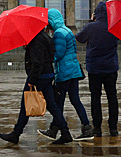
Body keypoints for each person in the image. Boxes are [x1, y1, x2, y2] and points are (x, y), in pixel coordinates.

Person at [0, 28, 73, 145]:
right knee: (52, 105)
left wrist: (32, 80)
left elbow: (37, 61)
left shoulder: (36, 39)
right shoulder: (45, 37)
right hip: (47, 74)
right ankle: (65, 132)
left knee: (25, 105)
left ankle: (16, 134)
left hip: (39, 76)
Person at [38, 8, 93, 141]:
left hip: (64, 72)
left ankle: (55, 130)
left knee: (59, 102)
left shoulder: (59, 34)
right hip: (73, 71)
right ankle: (86, 127)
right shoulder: (67, 30)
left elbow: (58, 54)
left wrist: (47, 57)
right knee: (74, 100)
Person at [75, 1, 120, 137]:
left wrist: (91, 21)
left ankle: (97, 128)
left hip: (95, 69)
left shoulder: (91, 27)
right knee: (112, 97)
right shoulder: (114, 27)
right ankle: (113, 128)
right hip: (111, 68)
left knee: (96, 98)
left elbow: (79, 38)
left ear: (96, 14)